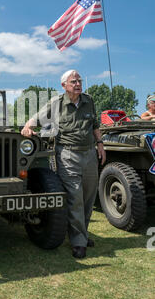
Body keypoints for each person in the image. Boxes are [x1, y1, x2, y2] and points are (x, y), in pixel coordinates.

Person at [21, 69, 106, 259]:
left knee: (88, 197)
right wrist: (27, 127)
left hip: (89, 153)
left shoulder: (88, 100)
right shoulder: (56, 103)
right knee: (75, 197)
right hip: (68, 154)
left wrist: (100, 144)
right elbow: (36, 118)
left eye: (79, 80)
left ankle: (82, 234)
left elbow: (95, 125)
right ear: (64, 85)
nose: (78, 84)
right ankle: (78, 242)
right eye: (73, 81)